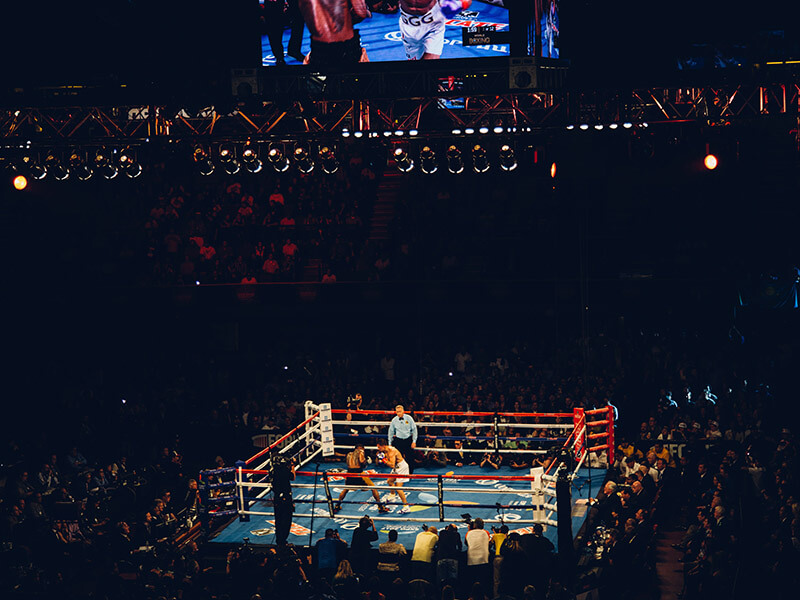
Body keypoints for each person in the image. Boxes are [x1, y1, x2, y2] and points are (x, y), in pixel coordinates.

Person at [296, 0, 372, 66]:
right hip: (345, 47)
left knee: (322, 79)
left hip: (319, 49)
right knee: (356, 79)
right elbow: (360, 12)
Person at [398, 0, 472, 61]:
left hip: (434, 24)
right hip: (409, 26)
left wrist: (458, 4)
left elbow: (467, 1)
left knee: (431, 61)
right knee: (415, 65)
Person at [335, 445, 389, 513]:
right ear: (361, 449)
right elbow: (361, 461)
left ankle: (337, 505)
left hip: (349, 473)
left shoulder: (349, 454)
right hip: (358, 473)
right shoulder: (360, 452)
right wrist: (365, 461)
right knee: (373, 488)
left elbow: (348, 464)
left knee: (346, 489)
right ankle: (380, 507)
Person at [375, 441, 411, 513]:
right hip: (396, 468)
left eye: (379, 447)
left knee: (398, 488)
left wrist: (383, 459)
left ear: (383, 446)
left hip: (401, 467)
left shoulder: (392, 451)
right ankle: (392, 496)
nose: (378, 448)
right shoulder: (385, 451)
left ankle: (406, 506)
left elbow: (392, 465)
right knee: (390, 481)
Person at [271, 455, 296, 547]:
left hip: (277, 498)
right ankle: (282, 542)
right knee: (286, 521)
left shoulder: (273, 471)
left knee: (278, 520)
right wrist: (292, 466)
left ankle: (280, 541)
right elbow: (293, 477)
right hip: (285, 499)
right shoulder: (284, 471)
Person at [388, 404, 417, 474]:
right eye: (397, 412)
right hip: (398, 440)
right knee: (397, 458)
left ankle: (410, 473)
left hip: (408, 440)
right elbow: (391, 432)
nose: (399, 413)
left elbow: (414, 430)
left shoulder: (409, 418)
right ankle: (398, 473)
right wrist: (389, 443)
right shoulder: (394, 420)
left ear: (403, 411)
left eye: (400, 411)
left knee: (410, 458)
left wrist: (414, 441)